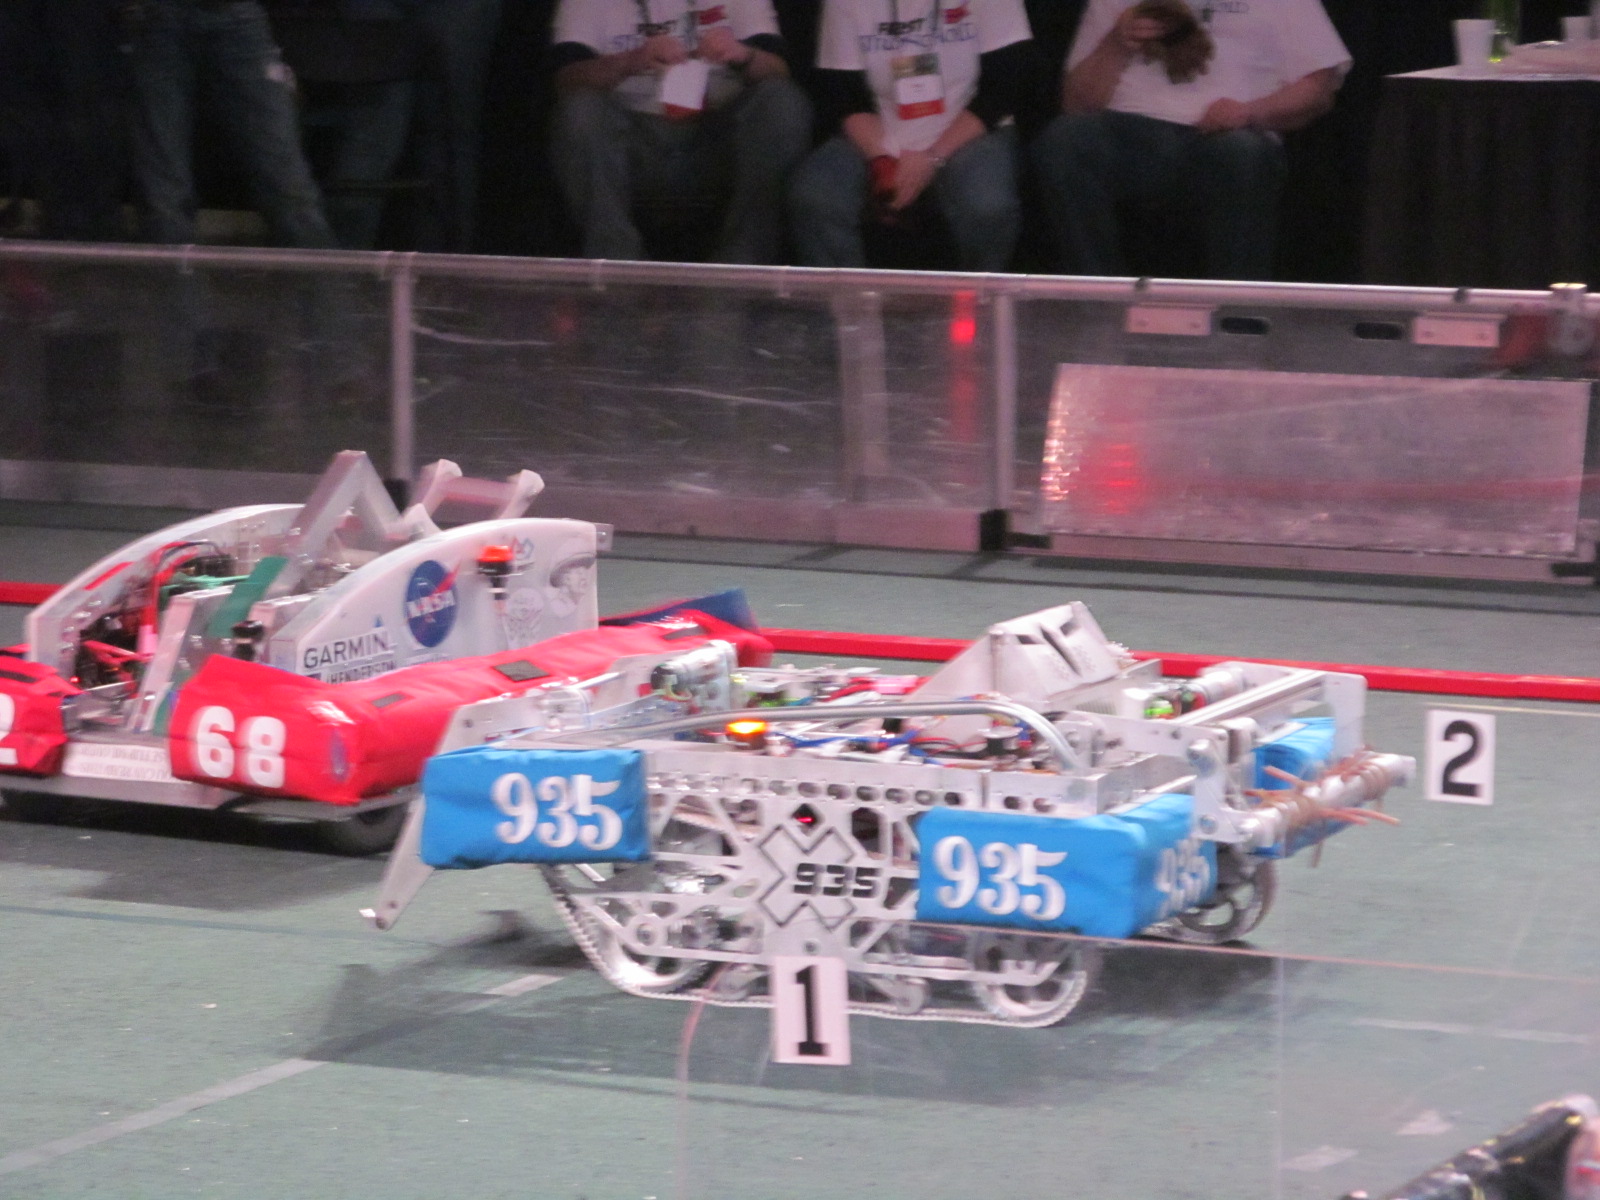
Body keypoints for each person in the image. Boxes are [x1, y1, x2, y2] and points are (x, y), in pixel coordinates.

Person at [1032, 0, 1350, 281]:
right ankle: (1101, 300)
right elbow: (1075, 105)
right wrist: (1116, 42)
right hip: (1128, 132)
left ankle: (1235, 312)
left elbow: (1319, 88)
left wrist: (1250, 112)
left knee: (1243, 153)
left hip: (1227, 134)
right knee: (1065, 139)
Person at [549, 0, 812, 263]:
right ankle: (617, 267)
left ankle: (743, 267)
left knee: (782, 102)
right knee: (580, 110)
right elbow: (567, 80)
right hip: (631, 145)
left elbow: (778, 72)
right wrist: (632, 60)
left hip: (717, 141)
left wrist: (743, 55)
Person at [786, 0, 1037, 272]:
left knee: (987, 206)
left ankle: (976, 295)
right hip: (876, 130)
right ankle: (848, 297)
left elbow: (1004, 87)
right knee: (815, 196)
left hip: (967, 129)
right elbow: (845, 96)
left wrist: (932, 157)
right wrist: (881, 158)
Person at [122, 0, 337, 249]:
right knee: (163, 192)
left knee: (284, 178)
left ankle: (320, 272)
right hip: (157, 17)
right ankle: (169, 274)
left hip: (233, 14)